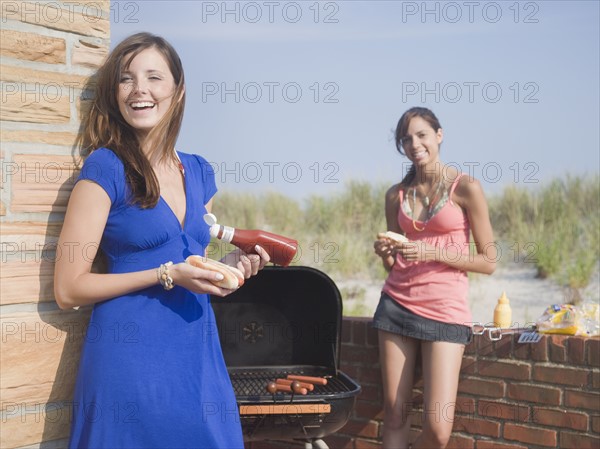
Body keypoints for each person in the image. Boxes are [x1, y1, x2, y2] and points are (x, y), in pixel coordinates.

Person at [54, 32, 270, 448]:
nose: (140, 89)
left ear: (178, 90)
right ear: (114, 93)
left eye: (154, 77)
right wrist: (165, 274)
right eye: (126, 78)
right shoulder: (105, 168)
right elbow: (68, 288)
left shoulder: (199, 172)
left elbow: (191, 258)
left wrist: (230, 265)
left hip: (196, 356)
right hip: (129, 360)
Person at [372, 107, 496, 449]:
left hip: (446, 312)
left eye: (422, 135)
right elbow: (393, 263)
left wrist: (431, 252)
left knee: (439, 430)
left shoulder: (465, 187)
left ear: (439, 135)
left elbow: (489, 261)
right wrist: (385, 253)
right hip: (395, 306)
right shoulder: (395, 195)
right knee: (395, 415)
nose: (415, 144)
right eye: (406, 139)